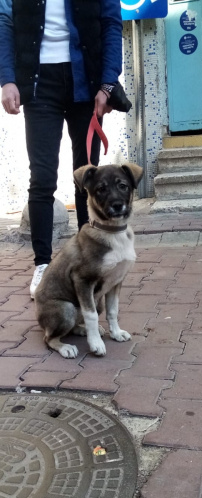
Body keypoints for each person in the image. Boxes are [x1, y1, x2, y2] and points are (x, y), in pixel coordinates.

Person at [0, 0, 130, 298]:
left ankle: (91, 260)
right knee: (42, 178)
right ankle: (44, 265)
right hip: (38, 83)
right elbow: (5, 23)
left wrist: (108, 83)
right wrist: (7, 79)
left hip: (86, 80)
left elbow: (111, 22)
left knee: (88, 176)